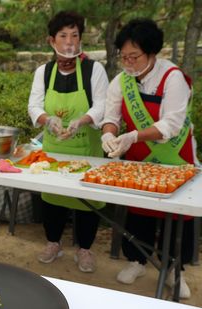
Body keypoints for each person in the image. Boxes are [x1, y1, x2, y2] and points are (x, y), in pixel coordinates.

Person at [101, 19, 198, 299]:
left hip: (174, 156)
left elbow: (171, 125)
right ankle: (138, 260)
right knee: (139, 210)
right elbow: (111, 117)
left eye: (135, 57)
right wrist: (109, 135)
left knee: (175, 216)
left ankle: (173, 269)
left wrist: (132, 136)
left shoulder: (173, 77)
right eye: (124, 57)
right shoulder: (121, 81)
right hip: (139, 158)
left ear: (152, 53)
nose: (128, 63)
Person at [27, 11, 109, 273]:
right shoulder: (44, 71)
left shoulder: (94, 69)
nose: (69, 41)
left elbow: (103, 105)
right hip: (54, 151)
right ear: (52, 40)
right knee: (52, 199)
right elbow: (33, 105)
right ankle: (53, 243)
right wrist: (47, 120)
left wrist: (81, 121)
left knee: (87, 202)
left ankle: (84, 250)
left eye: (74, 35)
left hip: (87, 151)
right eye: (63, 35)